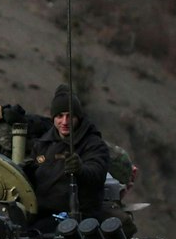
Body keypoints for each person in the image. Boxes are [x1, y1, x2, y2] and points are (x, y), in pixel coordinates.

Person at [25, 84, 111, 218]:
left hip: (79, 217)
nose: (64, 122)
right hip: (41, 215)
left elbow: (97, 173)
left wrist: (80, 170)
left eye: (70, 116)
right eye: (59, 116)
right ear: (53, 118)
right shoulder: (42, 144)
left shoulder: (93, 144)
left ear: (78, 118)